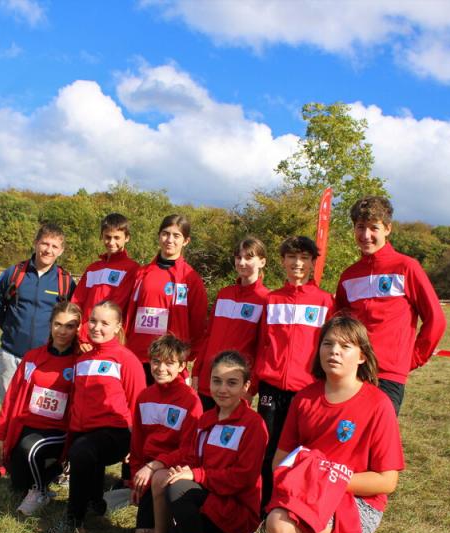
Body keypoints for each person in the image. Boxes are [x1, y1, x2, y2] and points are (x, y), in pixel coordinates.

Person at [261, 314, 404, 533]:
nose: (334, 351)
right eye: (327, 344)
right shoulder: (304, 399)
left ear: (362, 356)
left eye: (345, 346)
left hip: (356, 503)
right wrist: (306, 480)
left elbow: (386, 481)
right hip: (307, 497)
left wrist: (330, 480)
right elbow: (279, 461)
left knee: (279, 523)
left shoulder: (378, 404)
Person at [148, 350, 267, 533]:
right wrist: (166, 465)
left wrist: (195, 474)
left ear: (246, 386)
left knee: (180, 488)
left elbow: (243, 477)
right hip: (206, 505)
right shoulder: (206, 419)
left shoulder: (254, 424)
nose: (222, 389)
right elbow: (192, 456)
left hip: (234, 511)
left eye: (232, 383)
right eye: (216, 381)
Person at [335, 196, 446, 415]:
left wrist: (412, 359)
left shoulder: (406, 267)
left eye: (373, 228)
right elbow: (339, 325)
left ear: (387, 229)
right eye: (360, 227)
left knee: (377, 435)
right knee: (344, 434)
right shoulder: (348, 276)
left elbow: (436, 320)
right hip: (351, 372)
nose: (366, 235)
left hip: (387, 377)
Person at [50, 301, 145, 533]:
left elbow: (139, 404)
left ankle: (73, 521)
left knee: (83, 451)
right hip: (85, 432)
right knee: (82, 448)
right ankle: (95, 503)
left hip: (116, 433)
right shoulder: (82, 360)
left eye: (104, 323)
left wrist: (136, 445)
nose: (96, 327)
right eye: (92, 321)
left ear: (118, 327)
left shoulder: (126, 359)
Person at [255, 236, 334, 507]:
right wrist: (255, 380)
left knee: (300, 452)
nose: (297, 263)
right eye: (291, 257)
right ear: (282, 261)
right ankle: (265, 509)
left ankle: (293, 506)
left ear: (313, 263)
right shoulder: (272, 299)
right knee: (268, 449)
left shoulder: (325, 301)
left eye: (304, 258)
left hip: (306, 391)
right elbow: (262, 343)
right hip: (271, 388)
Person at [0, 302, 82, 517]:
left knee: (29, 447)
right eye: (58, 324)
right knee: (18, 484)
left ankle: (41, 491)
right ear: (50, 325)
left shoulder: (81, 362)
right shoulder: (33, 357)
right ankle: (51, 472)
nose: (62, 331)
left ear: (78, 329)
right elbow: (12, 398)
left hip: (58, 431)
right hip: (26, 425)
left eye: (70, 326)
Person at [129, 334, 203, 533]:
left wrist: (155, 465)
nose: (161, 368)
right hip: (148, 473)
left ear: (181, 366)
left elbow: (189, 451)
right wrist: (136, 480)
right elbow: (137, 444)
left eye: (169, 363)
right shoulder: (144, 396)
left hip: (172, 471)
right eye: (156, 361)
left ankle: (170, 528)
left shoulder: (191, 400)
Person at [0, 223, 76, 402]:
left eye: (54, 246)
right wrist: (13, 329)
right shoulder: (14, 273)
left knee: (37, 411)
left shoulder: (65, 282)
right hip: (11, 355)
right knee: (8, 407)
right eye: (45, 243)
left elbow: (71, 317)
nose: (48, 250)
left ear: (61, 251)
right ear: (36, 243)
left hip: (47, 359)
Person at [124, 214, 208, 385]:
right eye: (165, 234)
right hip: (138, 357)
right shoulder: (141, 273)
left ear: (186, 241)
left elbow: (198, 323)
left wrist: (185, 355)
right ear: (159, 236)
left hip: (170, 362)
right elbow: (128, 314)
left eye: (176, 236)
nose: (170, 240)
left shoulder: (190, 278)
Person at [191, 236, 269, 411]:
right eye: (238, 257)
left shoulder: (265, 299)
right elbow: (208, 336)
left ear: (262, 262)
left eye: (248, 257)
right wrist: (196, 371)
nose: (242, 262)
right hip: (208, 380)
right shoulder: (224, 294)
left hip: (235, 385)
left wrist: (252, 386)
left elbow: (263, 348)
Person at [70, 213, 141, 352]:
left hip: (108, 341)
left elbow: (116, 307)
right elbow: (76, 302)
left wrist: (86, 334)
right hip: (82, 341)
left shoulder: (132, 268)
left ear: (127, 238)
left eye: (117, 237)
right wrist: (78, 334)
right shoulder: (92, 268)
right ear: (102, 236)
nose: (111, 242)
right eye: (108, 237)